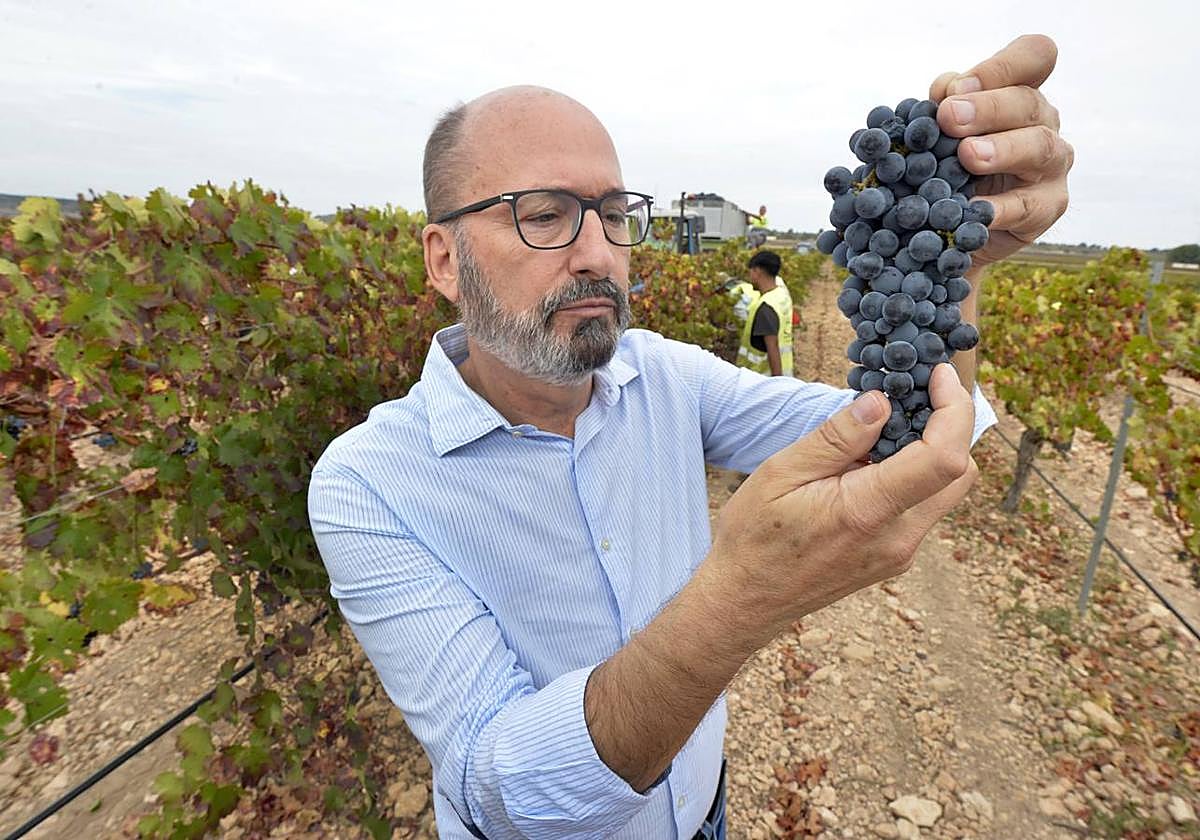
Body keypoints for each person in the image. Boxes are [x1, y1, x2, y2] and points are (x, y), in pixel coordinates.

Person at [307, 33, 1072, 840]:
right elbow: (499, 791)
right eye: (544, 217)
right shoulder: (369, 484)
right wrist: (740, 598)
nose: (598, 254)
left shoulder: (667, 376)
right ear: (443, 260)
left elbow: (899, 434)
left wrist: (958, 265)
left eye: (612, 214)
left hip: (707, 811)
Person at [736, 249, 792, 377]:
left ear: (757, 271)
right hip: (785, 372)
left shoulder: (766, 307)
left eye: (750, 272)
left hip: (761, 379)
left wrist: (778, 383)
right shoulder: (782, 296)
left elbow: (773, 347)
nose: (750, 277)